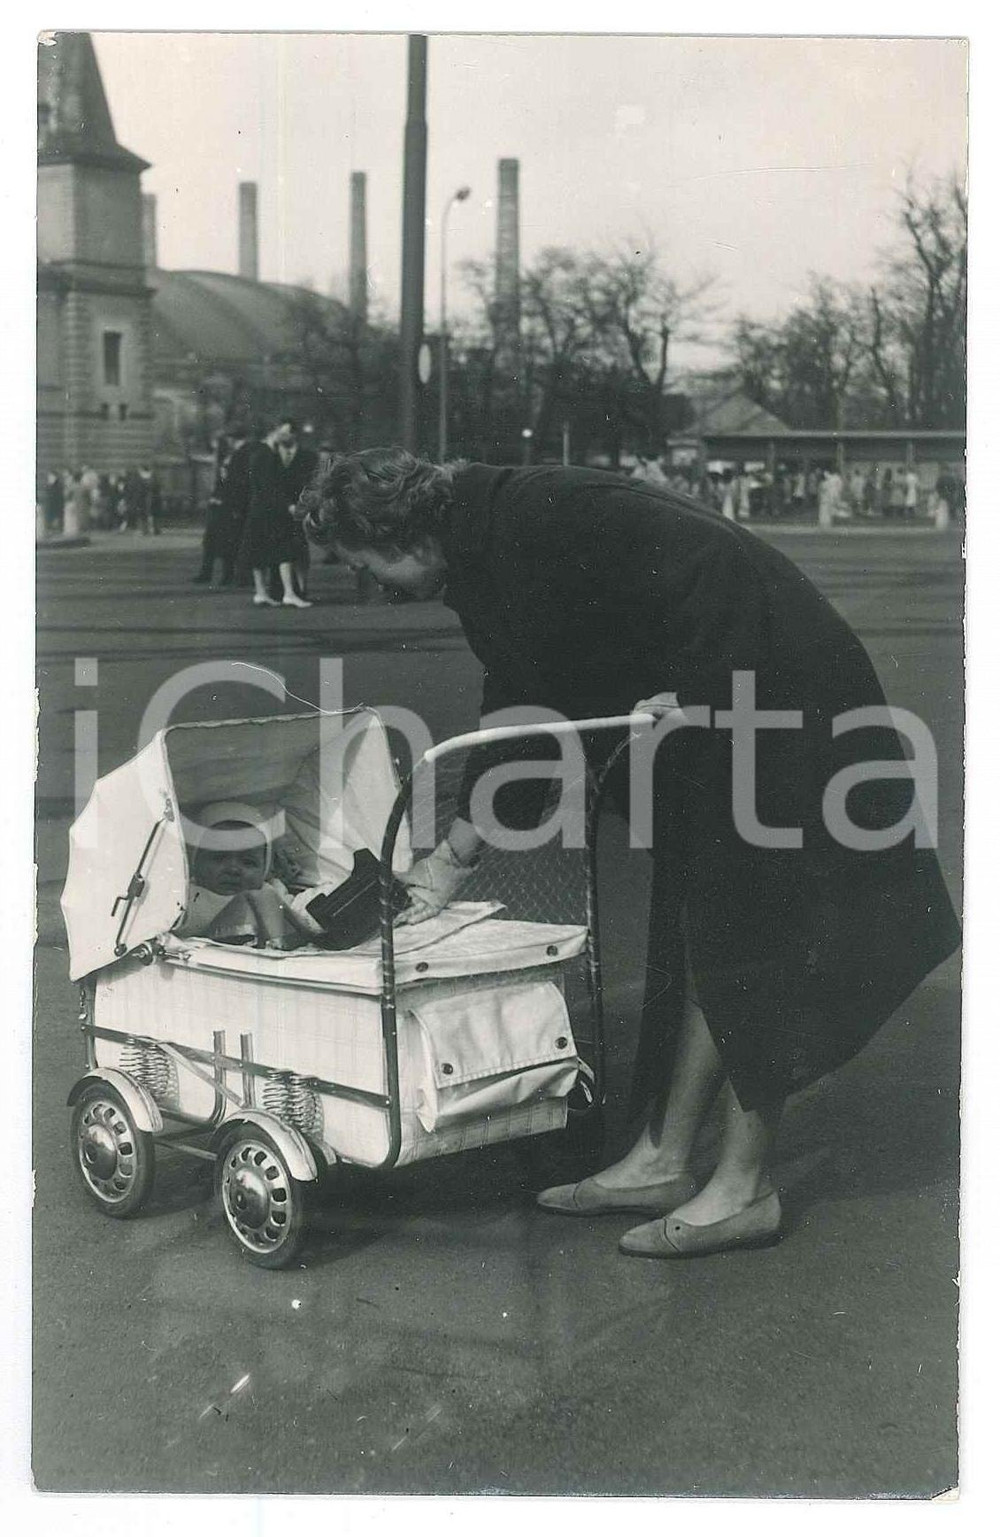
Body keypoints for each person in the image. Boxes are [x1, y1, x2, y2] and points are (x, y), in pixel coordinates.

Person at [298, 449, 960, 1260]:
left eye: (368, 567)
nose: (379, 588)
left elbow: (711, 560)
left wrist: (696, 691)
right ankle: (663, 1159)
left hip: (774, 691)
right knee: (696, 922)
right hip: (722, 700)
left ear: (398, 530)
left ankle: (742, 1187)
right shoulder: (477, 548)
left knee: (749, 922)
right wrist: (452, 856)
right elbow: (523, 699)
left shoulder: (536, 514)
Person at [238, 418, 317, 608]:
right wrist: (287, 506)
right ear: (273, 433)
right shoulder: (267, 455)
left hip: (259, 509)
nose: (283, 436)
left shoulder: (259, 452)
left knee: (257, 551)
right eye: (280, 433)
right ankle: (289, 593)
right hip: (270, 510)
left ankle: (261, 593)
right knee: (284, 551)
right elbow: (269, 486)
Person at [194, 432, 249, 586]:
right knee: (210, 543)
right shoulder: (224, 460)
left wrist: (223, 500)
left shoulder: (238, 459)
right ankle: (207, 573)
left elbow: (237, 486)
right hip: (217, 508)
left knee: (227, 545)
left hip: (227, 509)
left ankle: (227, 575)